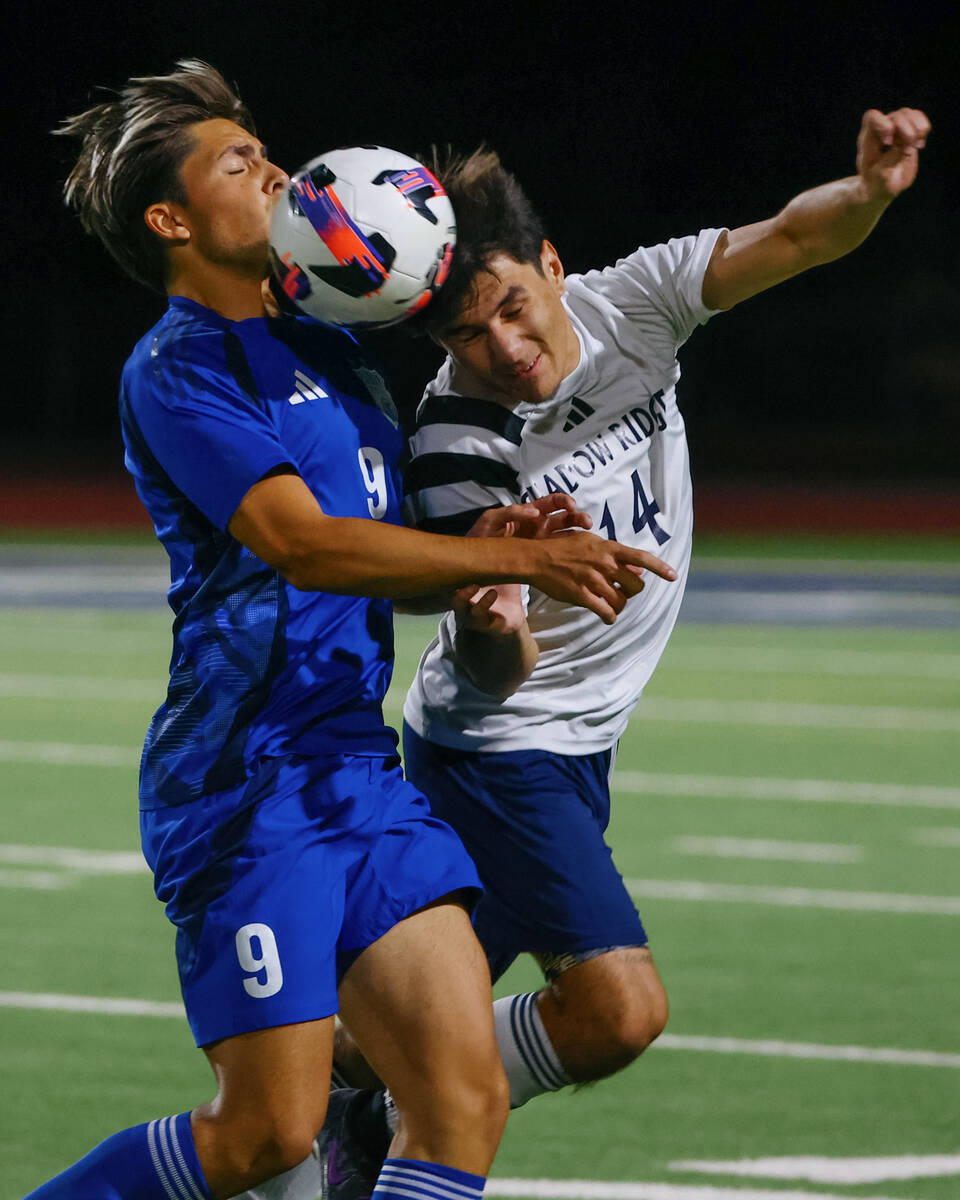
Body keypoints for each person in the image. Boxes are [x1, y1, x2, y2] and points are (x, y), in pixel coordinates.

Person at [254, 105, 929, 1200]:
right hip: (503, 748)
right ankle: (383, 1098)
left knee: (428, 1011)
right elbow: (493, 675)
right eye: (467, 337)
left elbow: (795, 238)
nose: (505, 353)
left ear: (555, 267)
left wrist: (866, 195)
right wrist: (493, 621)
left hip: (577, 748)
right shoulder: (457, 441)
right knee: (618, 1011)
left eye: (514, 309)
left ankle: (338, 1085)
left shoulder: (636, 303)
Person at [29, 59, 676, 1200]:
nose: (276, 174)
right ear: (172, 218)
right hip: (243, 784)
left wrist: (485, 544)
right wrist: (515, 553)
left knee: (461, 1099)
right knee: (262, 1140)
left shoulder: (334, 353)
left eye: (265, 149)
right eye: (241, 164)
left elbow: (381, 573)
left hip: (357, 771)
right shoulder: (178, 370)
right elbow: (304, 543)